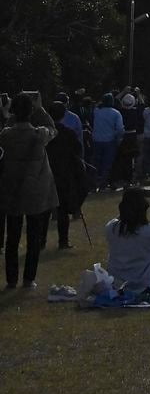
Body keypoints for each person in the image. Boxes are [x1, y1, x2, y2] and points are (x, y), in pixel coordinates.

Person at [0, 93, 58, 289]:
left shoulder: (5, 135)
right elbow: (53, 128)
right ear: (31, 112)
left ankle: (11, 279)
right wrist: (41, 108)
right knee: (34, 237)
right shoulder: (39, 134)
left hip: (12, 189)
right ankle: (28, 279)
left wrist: (5, 113)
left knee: (12, 238)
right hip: (35, 190)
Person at [105, 188, 150, 292]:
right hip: (144, 286)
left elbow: (120, 219)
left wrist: (127, 209)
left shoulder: (111, 228)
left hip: (117, 283)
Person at [44, 100, 88, 251]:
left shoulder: (45, 133)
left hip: (46, 173)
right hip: (64, 175)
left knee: (44, 210)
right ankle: (63, 242)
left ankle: (41, 241)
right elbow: (78, 151)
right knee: (62, 210)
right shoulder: (68, 133)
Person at [91, 93, 124, 190]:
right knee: (107, 164)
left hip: (96, 139)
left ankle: (93, 184)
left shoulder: (96, 111)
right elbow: (120, 129)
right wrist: (117, 137)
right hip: (109, 140)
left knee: (96, 163)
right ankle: (103, 184)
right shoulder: (116, 113)